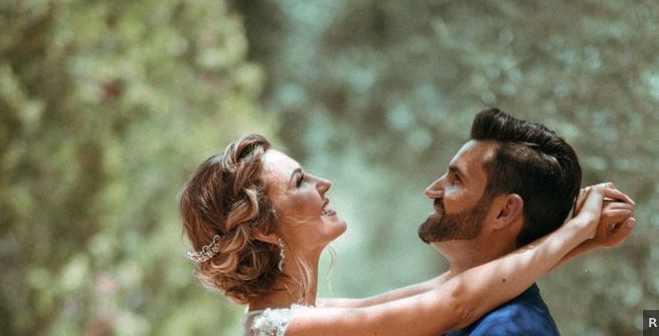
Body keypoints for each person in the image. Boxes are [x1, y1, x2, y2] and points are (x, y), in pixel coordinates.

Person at [179, 127, 634, 336]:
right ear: (263, 229)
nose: (323, 183)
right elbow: (455, 306)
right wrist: (574, 230)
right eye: (300, 181)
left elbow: (452, 286)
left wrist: (582, 239)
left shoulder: (306, 315)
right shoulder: (292, 328)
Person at [418, 107, 634, 335]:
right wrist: (579, 234)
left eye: (456, 179)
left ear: (504, 212)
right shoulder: (457, 310)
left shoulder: (509, 328)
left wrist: (581, 233)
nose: (431, 190)